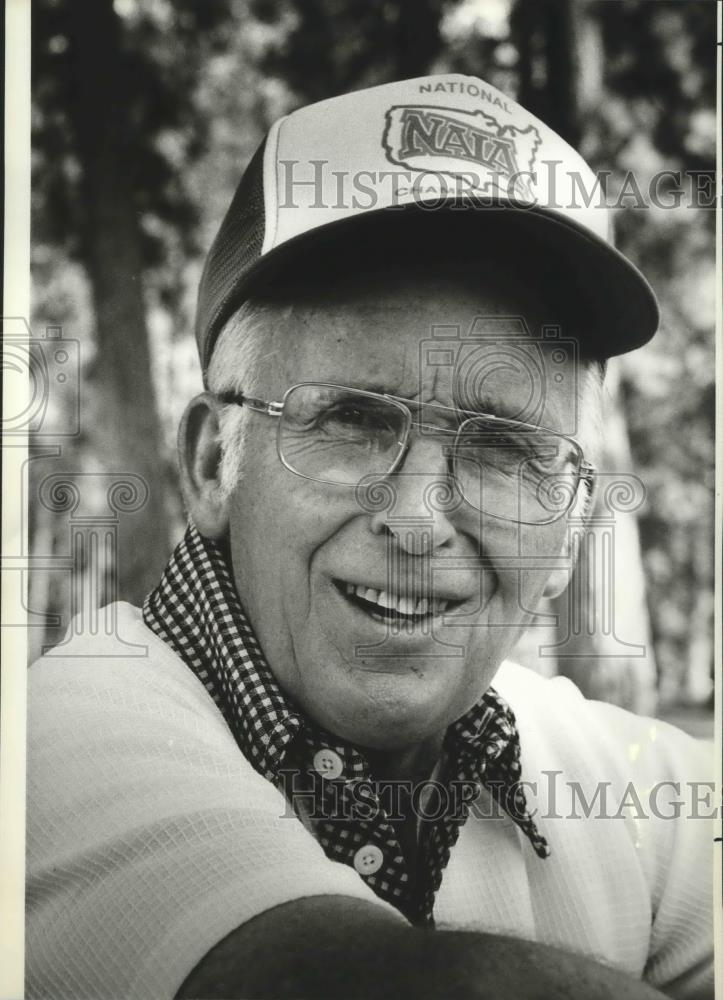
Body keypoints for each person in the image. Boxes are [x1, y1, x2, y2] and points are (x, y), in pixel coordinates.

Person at [26, 74, 713, 1000]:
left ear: (567, 529)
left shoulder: (615, 782)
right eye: (350, 421)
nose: (418, 516)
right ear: (209, 465)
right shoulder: (53, 745)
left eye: (507, 450)